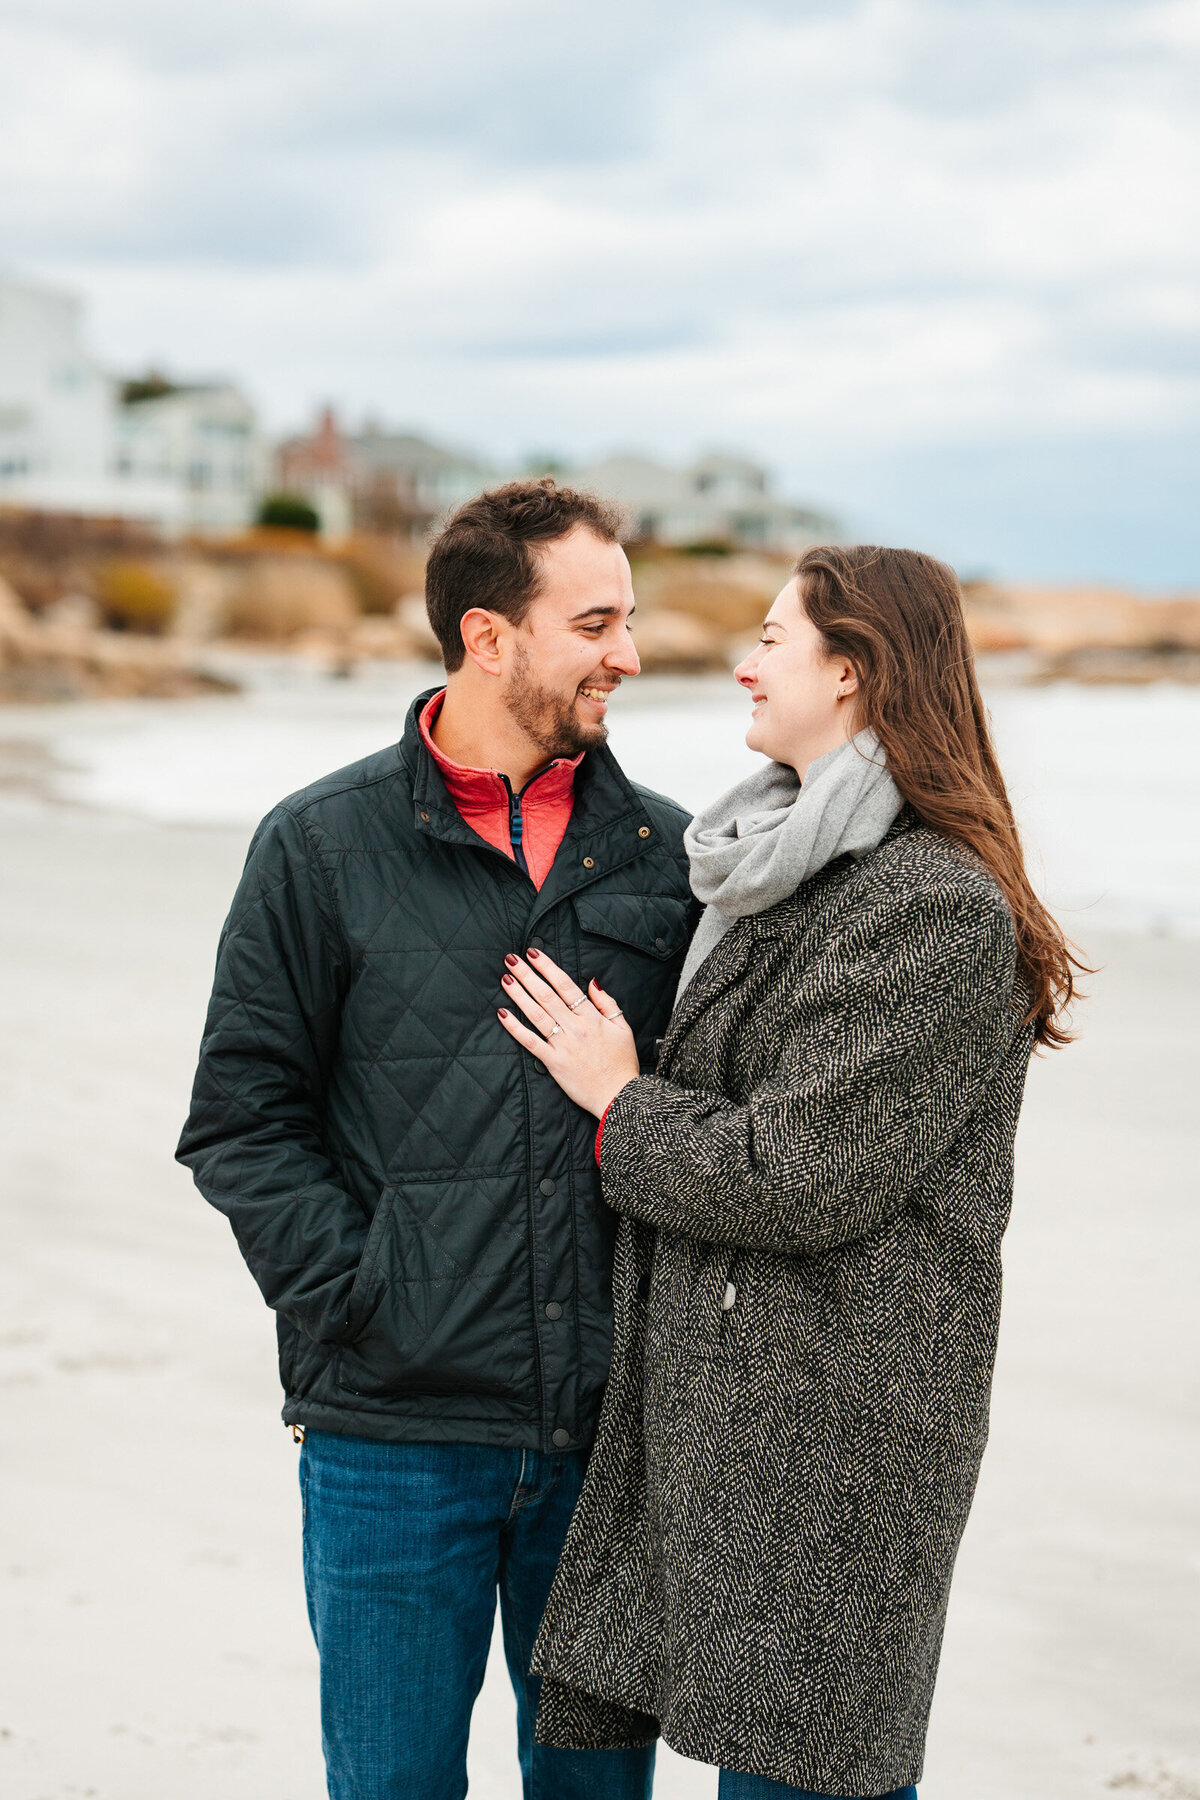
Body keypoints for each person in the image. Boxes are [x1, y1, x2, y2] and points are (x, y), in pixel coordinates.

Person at [496, 544, 1085, 1800]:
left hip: (834, 1432)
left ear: (857, 673)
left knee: (805, 1775)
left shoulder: (929, 899)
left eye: (774, 638)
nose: (743, 661)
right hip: (726, 1409)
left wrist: (616, 1097)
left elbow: (797, 1175)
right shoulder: (778, 861)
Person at [177, 479, 698, 1800]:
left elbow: (709, 1124)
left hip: (604, 1444)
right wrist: (364, 1300)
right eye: (595, 623)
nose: (628, 655)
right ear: (488, 637)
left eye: (626, 621)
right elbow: (240, 1121)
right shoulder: (317, 846)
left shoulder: (675, 859)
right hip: (388, 1443)